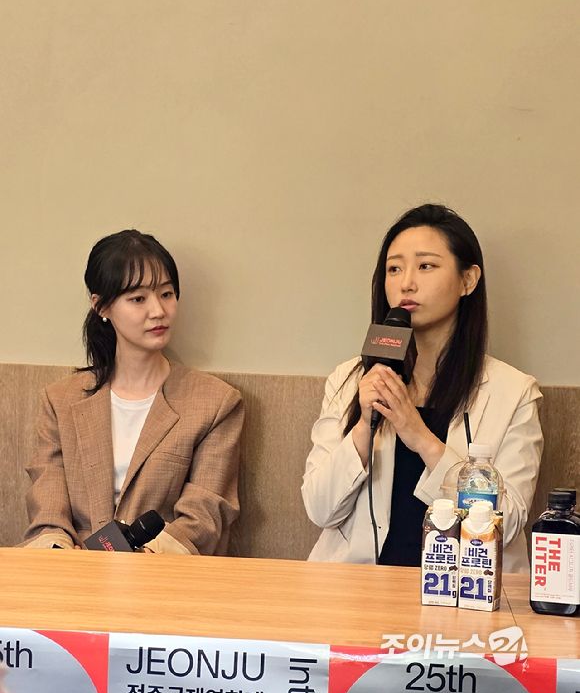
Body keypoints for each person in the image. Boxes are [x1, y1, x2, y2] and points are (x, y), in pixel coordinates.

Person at [301, 204, 543, 573]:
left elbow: (506, 524)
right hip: (359, 587)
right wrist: (363, 427)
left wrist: (420, 438)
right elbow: (320, 510)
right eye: (394, 269)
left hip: (467, 592)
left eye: (426, 266)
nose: (406, 283)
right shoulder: (350, 379)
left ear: (468, 280)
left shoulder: (514, 393)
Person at [22, 230, 243, 554]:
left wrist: (140, 561)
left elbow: (205, 514)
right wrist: (62, 555)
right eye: (138, 299)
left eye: (166, 294)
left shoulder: (216, 403)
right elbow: (48, 504)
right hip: (71, 571)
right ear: (101, 306)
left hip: (163, 571)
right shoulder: (60, 400)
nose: (158, 311)